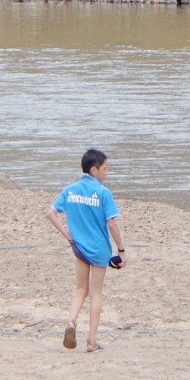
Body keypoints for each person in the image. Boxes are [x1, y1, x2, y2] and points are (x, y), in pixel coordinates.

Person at [47, 147, 125, 353]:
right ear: (93, 170)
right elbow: (112, 223)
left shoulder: (70, 190)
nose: (107, 173)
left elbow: (51, 213)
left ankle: (71, 322)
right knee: (96, 292)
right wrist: (121, 249)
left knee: (80, 288)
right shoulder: (102, 192)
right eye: (105, 169)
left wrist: (68, 236)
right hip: (99, 249)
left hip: (79, 247)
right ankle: (91, 341)